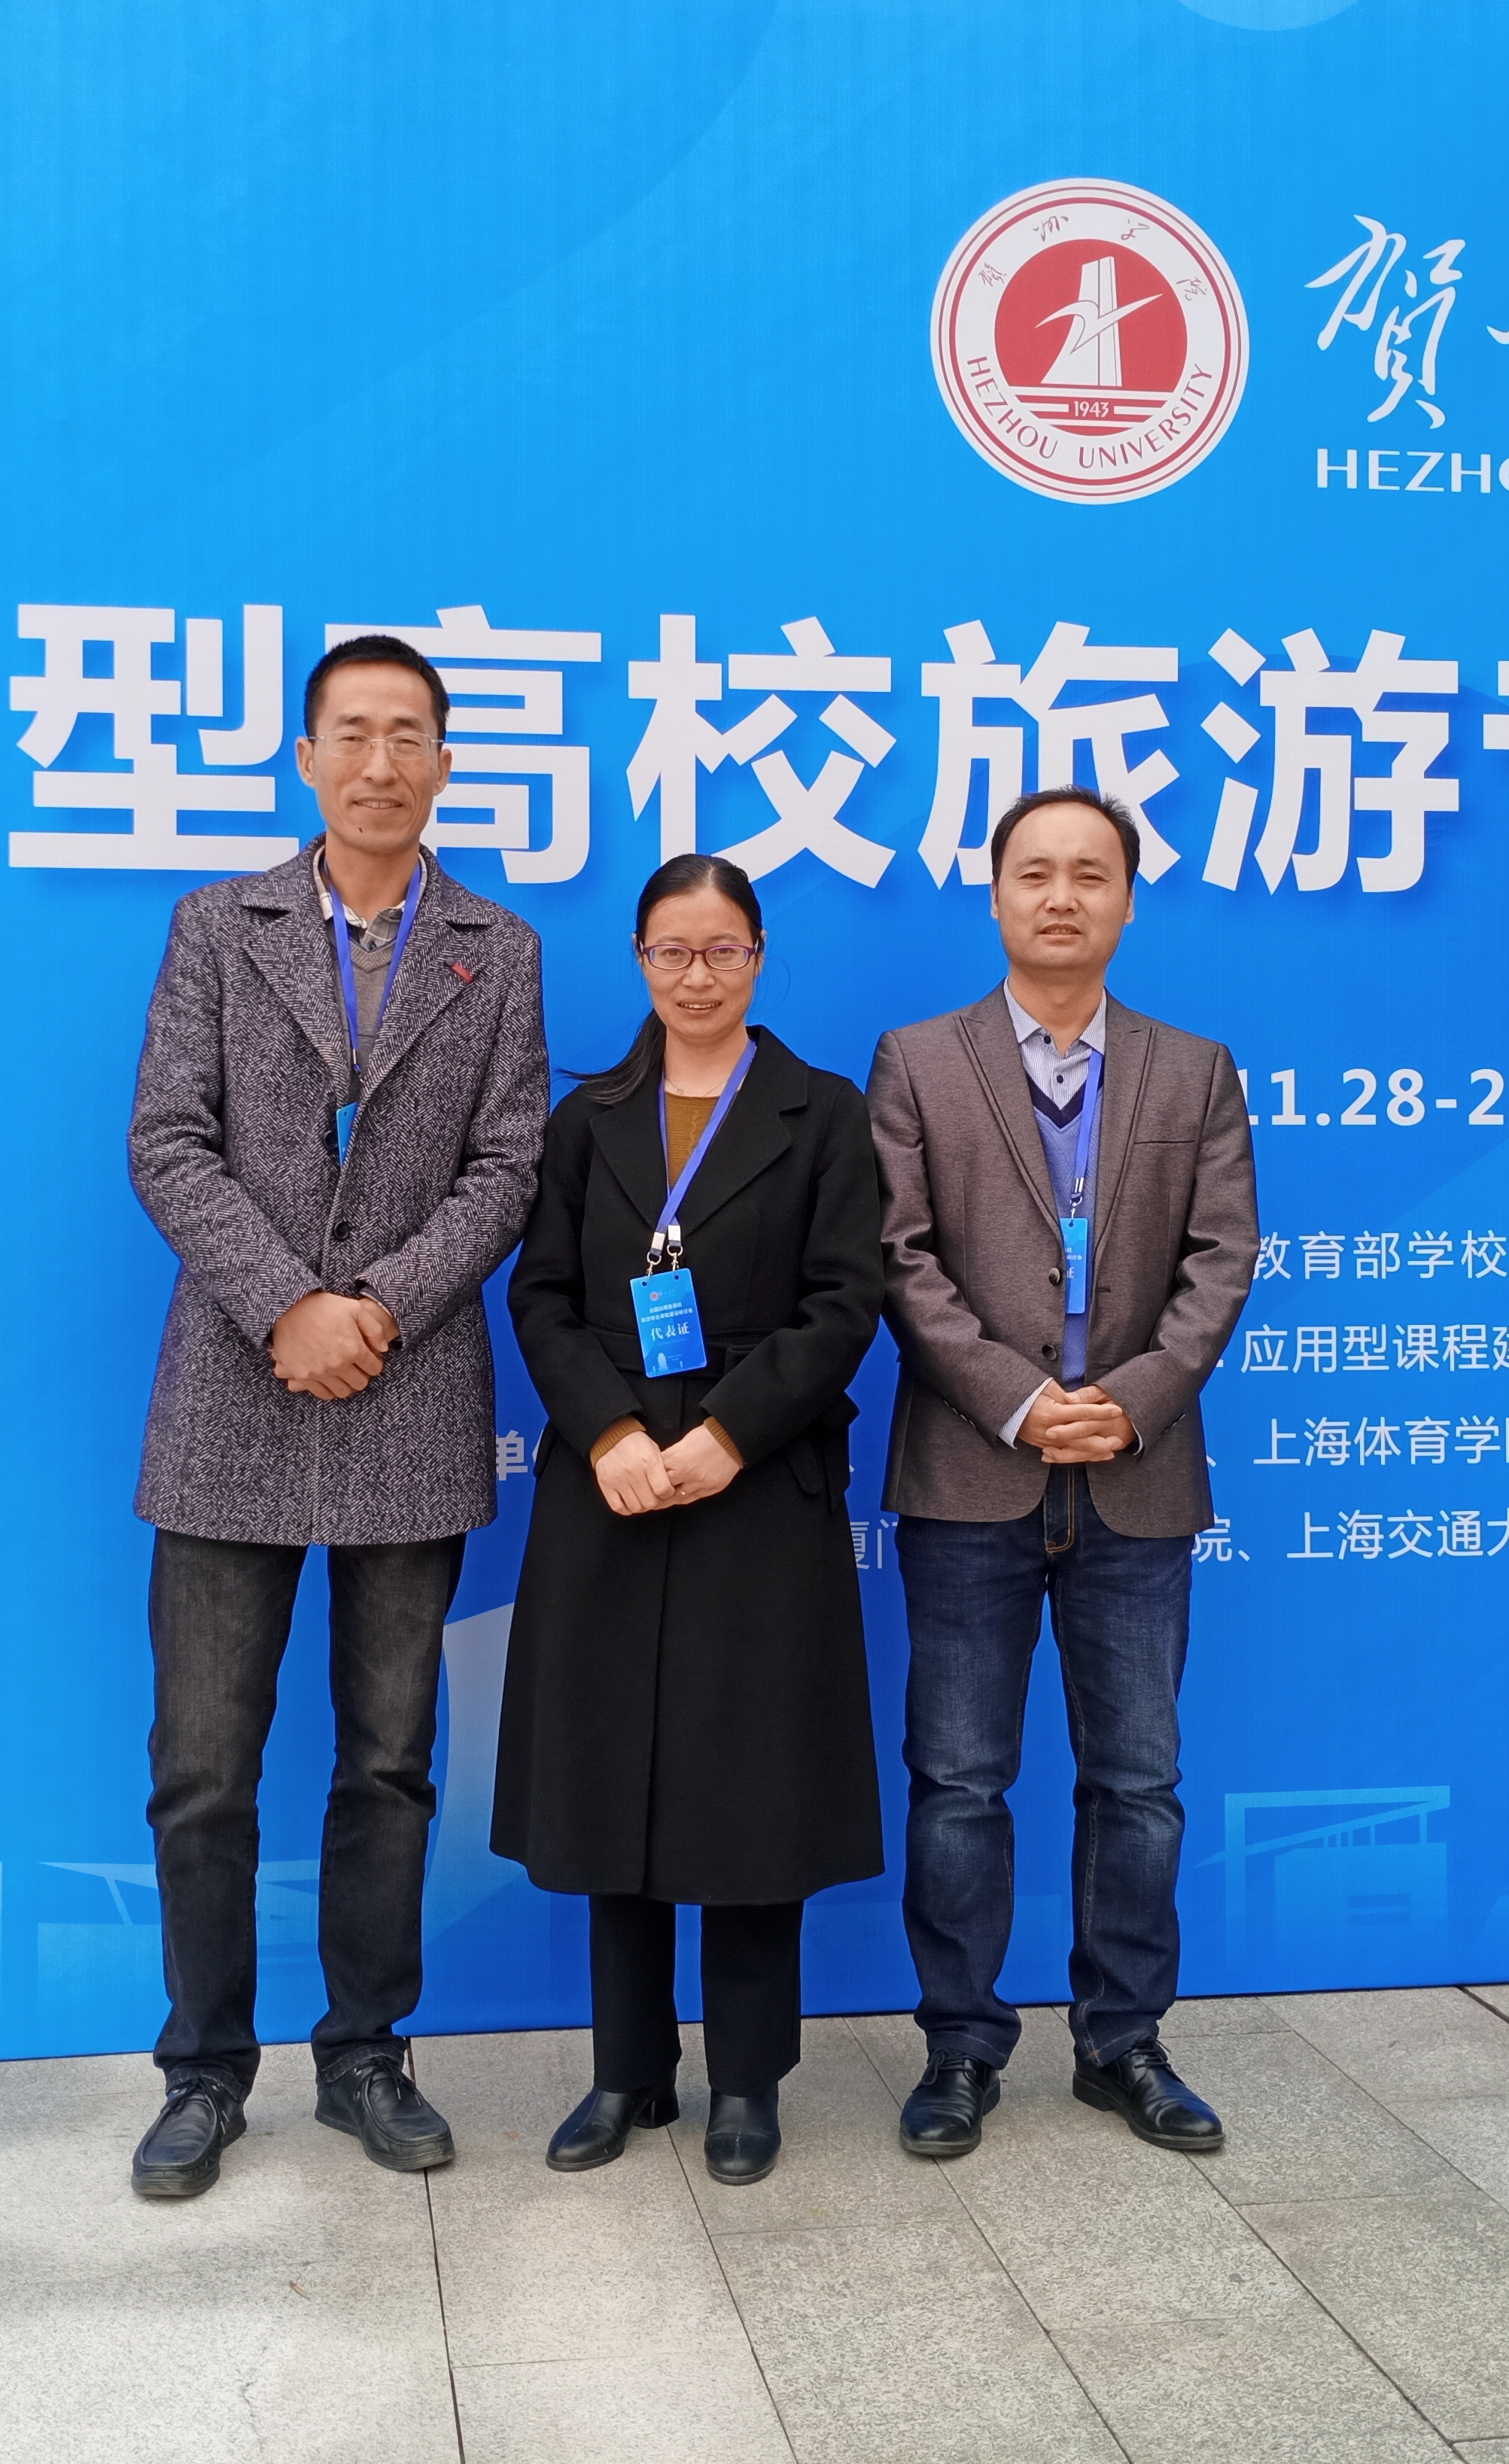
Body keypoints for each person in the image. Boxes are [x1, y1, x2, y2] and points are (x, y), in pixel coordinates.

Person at [120, 632, 549, 2200]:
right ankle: (202, 2071)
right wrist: (286, 1305)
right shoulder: (216, 927)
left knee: (390, 1762)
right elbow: (168, 1141)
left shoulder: (497, 949)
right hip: (233, 1388)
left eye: (409, 735)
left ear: (444, 760)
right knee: (202, 1766)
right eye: (353, 734)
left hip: (408, 1389)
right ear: (307, 759)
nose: (382, 763)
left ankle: (366, 2053)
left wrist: (376, 1307)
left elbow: (509, 1165)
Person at [866, 785, 1257, 2159]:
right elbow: (899, 1257)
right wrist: (1020, 1401)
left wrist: (1131, 1404)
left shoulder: (1194, 1069)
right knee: (958, 1782)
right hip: (970, 1471)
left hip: (1137, 1478)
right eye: (1035, 872)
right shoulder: (919, 1061)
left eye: (1092, 874)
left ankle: (1123, 2042)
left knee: (1138, 1781)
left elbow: (1222, 1259)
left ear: (1128, 901)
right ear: (995, 894)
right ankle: (960, 2048)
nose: (1062, 897)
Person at [494, 854, 887, 2186]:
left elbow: (844, 1305)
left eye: (723, 950)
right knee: (612, 1781)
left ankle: (748, 2081)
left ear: (759, 958)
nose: (698, 976)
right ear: (639, 960)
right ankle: (628, 2070)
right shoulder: (589, 1116)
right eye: (672, 951)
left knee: (748, 1791)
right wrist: (610, 1434)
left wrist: (727, 1434)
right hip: (607, 1487)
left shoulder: (821, 1113)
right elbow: (541, 1297)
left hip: (757, 1484)